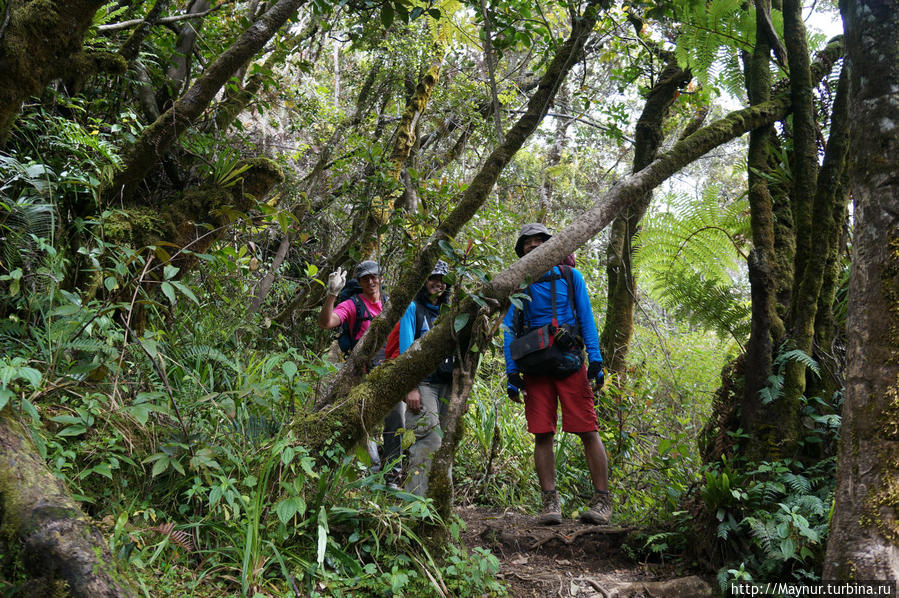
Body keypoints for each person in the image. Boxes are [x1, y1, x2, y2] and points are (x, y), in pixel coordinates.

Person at [503, 223, 612, 525]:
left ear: (554, 246)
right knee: (542, 433)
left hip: (569, 361)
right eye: (528, 243)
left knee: (588, 428)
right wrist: (512, 373)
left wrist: (597, 360)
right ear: (521, 250)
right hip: (535, 366)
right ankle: (550, 503)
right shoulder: (518, 285)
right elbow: (509, 329)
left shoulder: (570, 276)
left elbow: (586, 317)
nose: (535, 246)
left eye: (541, 240)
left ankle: (602, 501)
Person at [318, 260, 403, 481]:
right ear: (359, 282)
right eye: (365, 278)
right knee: (365, 423)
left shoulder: (392, 303)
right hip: (364, 373)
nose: (371, 281)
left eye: (374, 276)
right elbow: (327, 322)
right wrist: (332, 293)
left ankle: (392, 475)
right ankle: (372, 475)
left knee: (396, 422)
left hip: (392, 370)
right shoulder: (353, 304)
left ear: (381, 278)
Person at [397, 260, 453, 496]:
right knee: (428, 439)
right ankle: (416, 503)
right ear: (424, 282)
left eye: (442, 280)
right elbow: (406, 351)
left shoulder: (449, 311)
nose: (437, 283)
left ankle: (440, 503)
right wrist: (411, 388)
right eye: (432, 278)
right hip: (424, 384)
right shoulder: (413, 308)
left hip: (448, 384)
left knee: (446, 442)